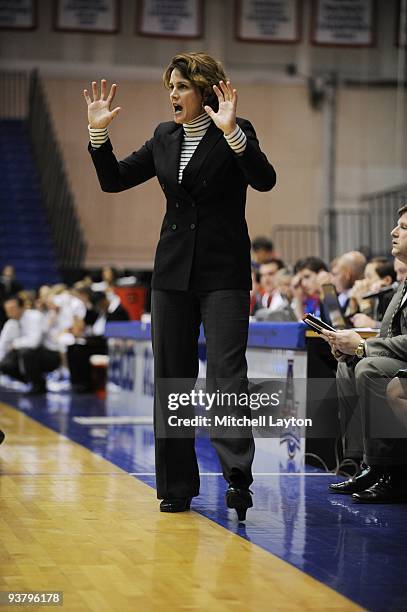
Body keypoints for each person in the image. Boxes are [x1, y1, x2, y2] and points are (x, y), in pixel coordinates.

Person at [84, 52, 276, 518]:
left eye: (182, 87)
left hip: (223, 272)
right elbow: (114, 180)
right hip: (171, 272)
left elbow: (264, 179)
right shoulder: (164, 136)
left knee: (226, 376)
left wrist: (232, 133)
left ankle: (237, 478)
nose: (172, 95)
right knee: (173, 377)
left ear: (205, 91)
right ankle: (175, 486)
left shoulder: (236, 128)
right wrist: (98, 134)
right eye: (170, 87)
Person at [323, 205, 407, 503]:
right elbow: (390, 337)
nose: (393, 232)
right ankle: (360, 462)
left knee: (368, 367)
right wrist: (352, 347)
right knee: (349, 365)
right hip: (399, 361)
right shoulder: (404, 285)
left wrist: (363, 346)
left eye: (404, 228)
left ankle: (390, 471)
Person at [0, 296, 61, 394]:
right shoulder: (11, 323)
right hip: (29, 355)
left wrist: (15, 344)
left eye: (12, 309)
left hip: (50, 354)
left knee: (26, 352)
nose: (9, 312)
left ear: (22, 307)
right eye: (7, 310)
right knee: (5, 364)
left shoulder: (35, 316)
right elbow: (2, 345)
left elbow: (34, 342)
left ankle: (38, 386)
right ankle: (34, 381)